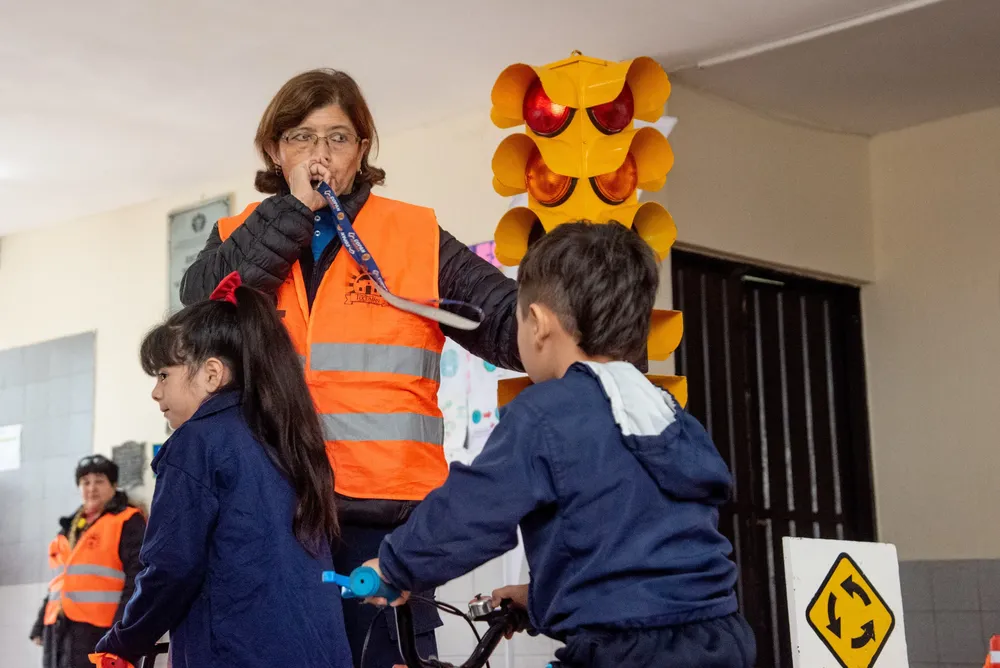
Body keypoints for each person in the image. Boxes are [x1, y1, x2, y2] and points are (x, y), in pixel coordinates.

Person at [178, 68, 520, 666]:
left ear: (362, 150)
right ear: (275, 150)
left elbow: (503, 320)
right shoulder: (234, 236)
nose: (320, 154)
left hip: (383, 526)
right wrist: (290, 215)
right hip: (267, 519)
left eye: (337, 138)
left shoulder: (411, 234)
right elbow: (202, 311)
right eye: (302, 137)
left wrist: (575, 318)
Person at [367, 222, 757, 668]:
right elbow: (641, 546)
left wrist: (393, 567)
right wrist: (542, 597)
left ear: (539, 325)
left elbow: (474, 510)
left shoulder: (546, 411)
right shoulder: (664, 411)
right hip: (720, 638)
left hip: (622, 652)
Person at [91, 273, 351, 668]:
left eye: (163, 375)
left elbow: (171, 568)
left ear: (212, 374)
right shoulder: (288, 440)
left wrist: (122, 642)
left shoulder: (195, 444)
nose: (155, 392)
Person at [30, 455, 145, 668]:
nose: (92, 488)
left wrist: (121, 629)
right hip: (58, 631)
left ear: (114, 485)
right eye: (85, 482)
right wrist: (39, 626)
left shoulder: (128, 521)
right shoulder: (68, 529)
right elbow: (59, 583)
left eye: (99, 481)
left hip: (100, 632)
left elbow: (137, 578)